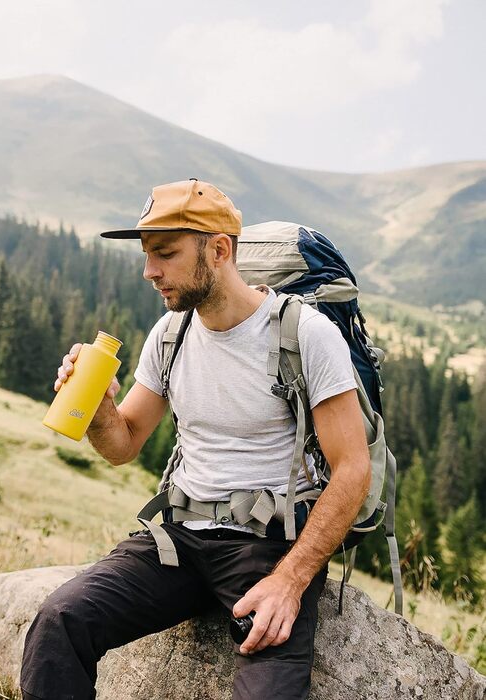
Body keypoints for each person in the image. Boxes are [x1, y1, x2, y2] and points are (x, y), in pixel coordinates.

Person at [20, 179, 371, 700]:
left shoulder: (303, 334)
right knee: (60, 621)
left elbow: (353, 470)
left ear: (220, 249)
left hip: (268, 545)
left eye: (165, 253)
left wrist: (291, 580)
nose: (149, 271)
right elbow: (124, 443)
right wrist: (98, 410)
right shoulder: (170, 333)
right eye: (146, 255)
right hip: (179, 538)